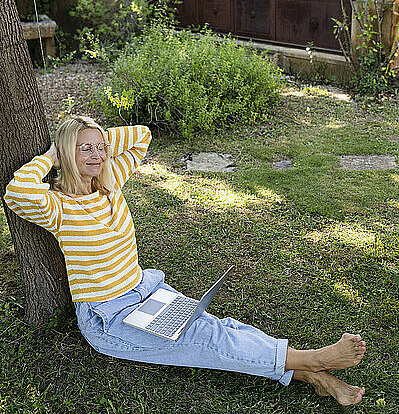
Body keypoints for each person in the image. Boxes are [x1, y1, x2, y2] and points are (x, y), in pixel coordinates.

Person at [4, 115, 366, 406]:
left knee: (219, 327)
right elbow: (16, 191)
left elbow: (141, 135)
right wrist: (53, 154)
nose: (98, 156)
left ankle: (311, 376)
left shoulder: (110, 186)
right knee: (208, 337)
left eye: (101, 148)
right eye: (86, 150)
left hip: (145, 291)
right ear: (68, 154)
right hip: (110, 316)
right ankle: (313, 361)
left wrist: (92, 139)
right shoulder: (57, 207)